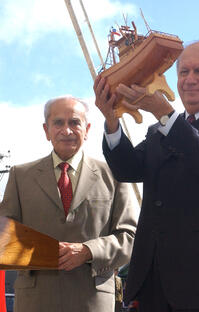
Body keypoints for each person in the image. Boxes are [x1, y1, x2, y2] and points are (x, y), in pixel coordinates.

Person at [94, 40, 199, 312]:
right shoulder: (160, 130)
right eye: (183, 72)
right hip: (155, 282)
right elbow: (127, 169)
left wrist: (165, 114)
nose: (189, 80)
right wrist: (112, 121)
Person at [0, 95, 137, 312]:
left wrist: (87, 251)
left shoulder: (114, 175)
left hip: (92, 301)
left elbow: (130, 238)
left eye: (74, 122)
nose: (67, 130)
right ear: (46, 130)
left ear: (87, 128)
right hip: (35, 301)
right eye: (58, 123)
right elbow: (4, 236)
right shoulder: (20, 176)